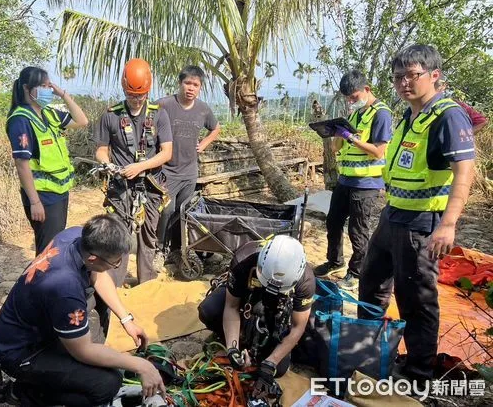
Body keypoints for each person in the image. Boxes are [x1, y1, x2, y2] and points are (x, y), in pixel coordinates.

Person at [359, 45, 475, 385]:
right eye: (398, 77)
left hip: (422, 223)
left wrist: (449, 224)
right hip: (392, 215)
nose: (404, 83)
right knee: (371, 282)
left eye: (412, 75)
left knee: (416, 299)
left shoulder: (447, 116)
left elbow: (464, 171)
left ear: (433, 75)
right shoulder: (412, 116)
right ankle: (372, 351)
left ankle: (419, 373)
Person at [0, 214, 166, 406]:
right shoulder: (65, 289)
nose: (116, 265)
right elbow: (83, 351)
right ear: (93, 258)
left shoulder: (76, 236)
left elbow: (98, 276)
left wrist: (127, 320)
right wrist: (142, 366)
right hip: (20, 352)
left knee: (105, 362)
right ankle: (25, 392)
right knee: (107, 384)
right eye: (115, 262)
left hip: (39, 329)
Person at [198, 235, 315, 399]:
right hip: (244, 297)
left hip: (279, 309)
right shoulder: (243, 259)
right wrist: (232, 348)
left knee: (279, 369)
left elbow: (298, 326)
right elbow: (231, 306)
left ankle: (258, 344)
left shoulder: (306, 281)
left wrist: (270, 364)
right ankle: (233, 335)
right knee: (208, 311)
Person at [96, 58, 173, 285]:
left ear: (148, 91)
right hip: (120, 186)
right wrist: (108, 165)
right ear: (124, 89)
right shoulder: (111, 115)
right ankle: (114, 284)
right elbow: (101, 150)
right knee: (118, 235)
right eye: (131, 95)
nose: (136, 99)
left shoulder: (159, 115)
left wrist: (140, 166)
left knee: (148, 235)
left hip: (150, 185)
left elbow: (166, 152)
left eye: (140, 95)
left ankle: (146, 282)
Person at [314, 70, 392, 290]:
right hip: (346, 180)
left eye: (354, 97)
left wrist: (351, 137)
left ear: (367, 89)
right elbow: (337, 148)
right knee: (333, 222)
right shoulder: (356, 116)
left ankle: (356, 272)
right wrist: (335, 134)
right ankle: (334, 261)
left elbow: (378, 151)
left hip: (366, 183)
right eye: (348, 98)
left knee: (358, 230)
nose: (351, 101)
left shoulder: (381, 114)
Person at [6, 67, 89, 255]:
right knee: (47, 252)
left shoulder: (49, 114)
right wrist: (35, 202)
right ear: (27, 89)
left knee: (55, 246)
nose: (47, 90)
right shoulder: (21, 119)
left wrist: (63, 94)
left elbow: (82, 121)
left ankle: (47, 282)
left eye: (48, 86)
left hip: (59, 192)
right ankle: (40, 284)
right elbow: (22, 163)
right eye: (42, 86)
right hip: (42, 196)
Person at [156, 65, 220, 257]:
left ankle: (177, 250)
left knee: (183, 213)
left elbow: (216, 128)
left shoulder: (203, 109)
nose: (191, 88)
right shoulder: (164, 105)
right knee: (166, 211)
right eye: (187, 83)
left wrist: (205, 143)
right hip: (166, 172)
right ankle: (159, 249)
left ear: (200, 87)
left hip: (190, 172)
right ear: (180, 83)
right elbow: (147, 125)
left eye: (196, 84)